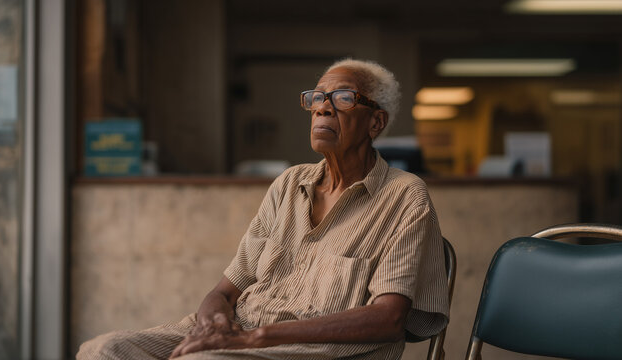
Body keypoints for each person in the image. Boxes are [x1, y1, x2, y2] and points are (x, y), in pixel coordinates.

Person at [77, 59, 449, 360]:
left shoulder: (404, 196)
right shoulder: (289, 184)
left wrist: (257, 338)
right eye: (317, 97)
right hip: (244, 332)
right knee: (103, 351)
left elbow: (389, 319)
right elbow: (224, 291)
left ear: (376, 122)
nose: (322, 107)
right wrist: (216, 326)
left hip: (314, 351)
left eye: (343, 98)